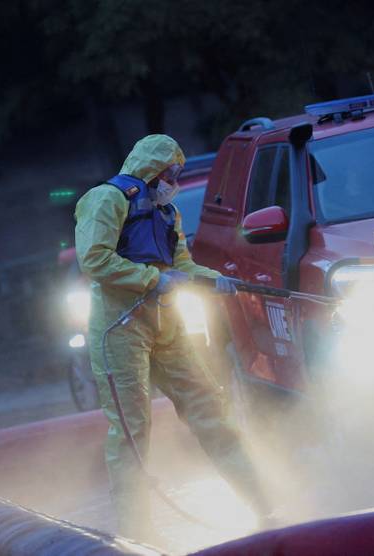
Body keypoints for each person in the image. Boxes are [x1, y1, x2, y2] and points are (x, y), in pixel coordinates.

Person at [74, 134, 270, 542]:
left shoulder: (167, 212)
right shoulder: (107, 200)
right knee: (131, 429)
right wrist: (153, 279)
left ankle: (264, 505)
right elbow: (95, 259)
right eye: (171, 174)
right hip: (119, 329)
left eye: (177, 176)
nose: (174, 182)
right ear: (152, 170)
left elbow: (181, 263)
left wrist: (215, 280)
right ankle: (136, 532)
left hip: (166, 324)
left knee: (208, 407)